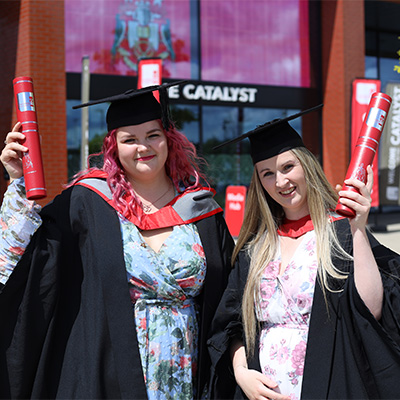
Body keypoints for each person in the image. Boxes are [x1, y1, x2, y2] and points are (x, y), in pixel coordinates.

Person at [0, 82, 234, 399]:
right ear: (114, 146)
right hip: (107, 376)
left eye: (153, 135)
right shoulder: (85, 203)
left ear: (169, 139)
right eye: (129, 139)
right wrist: (18, 179)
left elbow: (229, 301)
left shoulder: (202, 211)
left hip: (187, 375)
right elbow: (25, 260)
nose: (143, 147)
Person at [207, 106, 400, 400]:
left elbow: (371, 311)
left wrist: (359, 228)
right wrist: (241, 372)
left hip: (328, 385)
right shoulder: (255, 249)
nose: (281, 181)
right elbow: (231, 325)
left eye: (288, 167)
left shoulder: (341, 233)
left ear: (307, 165)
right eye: (267, 173)